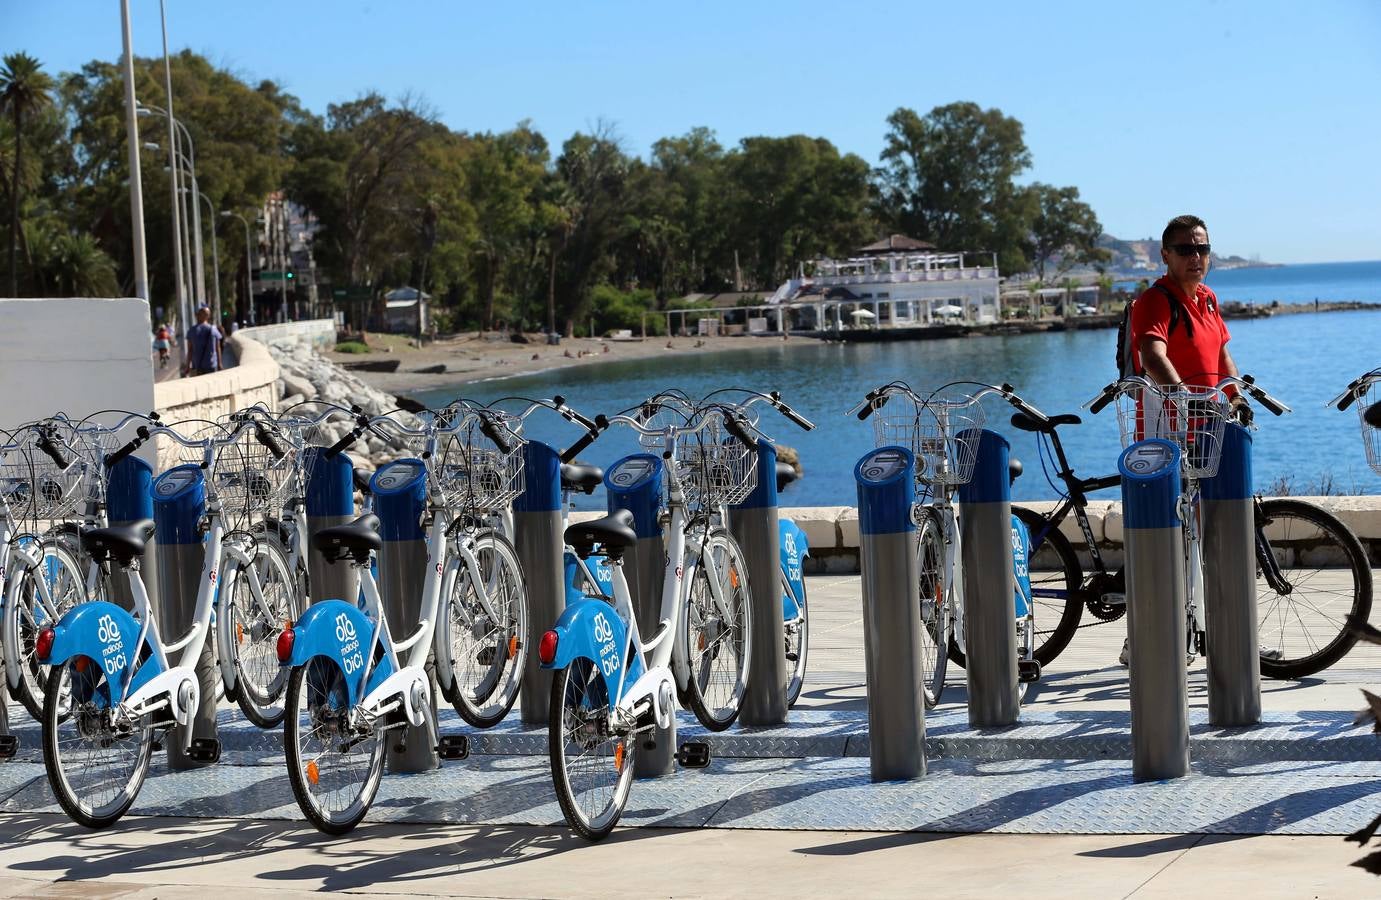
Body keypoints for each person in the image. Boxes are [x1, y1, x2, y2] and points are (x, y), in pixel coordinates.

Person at [1119, 214, 1250, 665]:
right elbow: (1151, 353)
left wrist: (1236, 396)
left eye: (1202, 249)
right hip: (1166, 433)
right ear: (1166, 255)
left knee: (1199, 533)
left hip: (1209, 430)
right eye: (1185, 250)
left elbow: (1222, 356)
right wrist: (1183, 398)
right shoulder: (1154, 301)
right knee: (1166, 536)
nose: (1196, 258)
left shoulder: (1209, 300)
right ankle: (1141, 637)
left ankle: (1212, 632)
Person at [183, 305, 224, 377]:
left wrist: (187, 366)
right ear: (208, 316)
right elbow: (218, 348)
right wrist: (220, 364)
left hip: (197, 366)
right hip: (211, 365)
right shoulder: (213, 329)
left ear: (197, 315)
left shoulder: (192, 330)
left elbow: (190, 350)